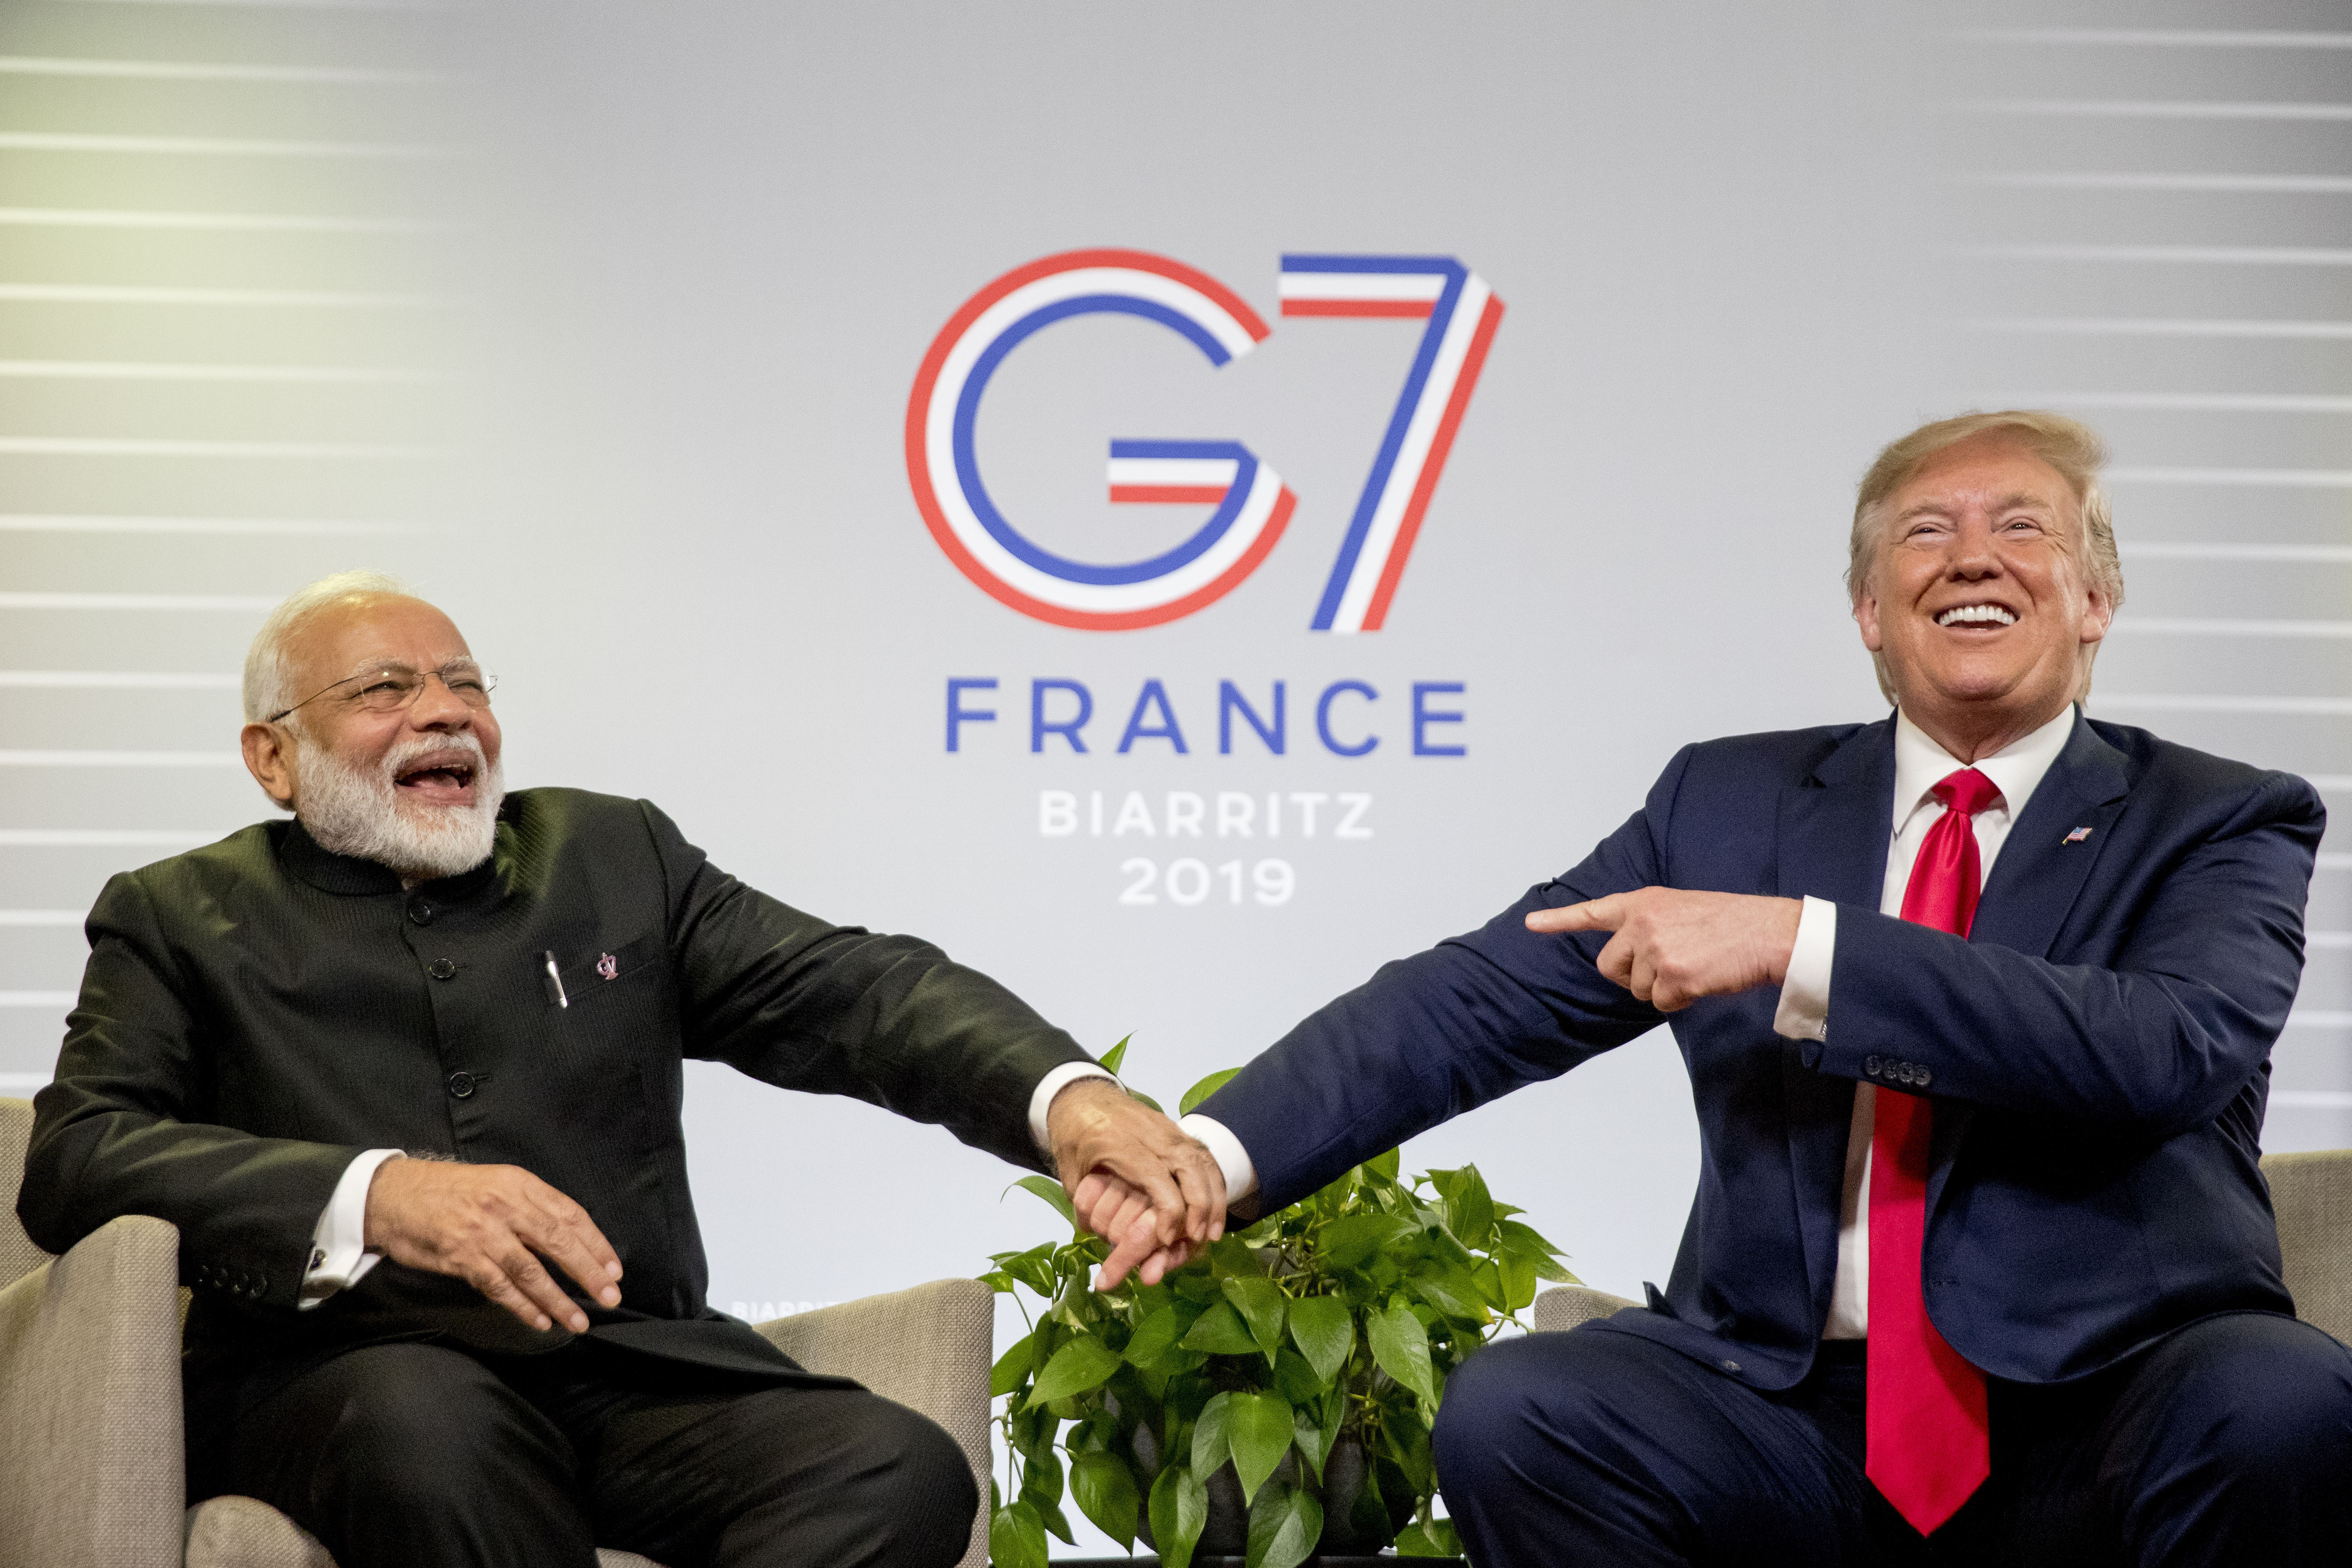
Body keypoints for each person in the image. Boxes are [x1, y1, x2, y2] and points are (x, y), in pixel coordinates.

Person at [1085, 411, 2352, 1565]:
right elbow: (1475, 1000)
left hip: (2108, 1403)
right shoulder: (1729, 803)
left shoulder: (2219, 816)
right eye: (1928, 531)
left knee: (2281, 1400)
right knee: (1525, 1410)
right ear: (1869, 606)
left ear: (2097, 599)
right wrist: (1211, 1151)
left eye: (2022, 526)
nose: (1974, 556)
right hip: (1784, 1411)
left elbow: (2163, 1046)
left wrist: (1807, 949)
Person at [16, 571, 1224, 1568]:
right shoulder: (179, 915)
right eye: (387, 687)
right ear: (273, 757)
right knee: (425, 1429)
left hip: (630, 1376)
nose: (444, 711)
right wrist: (377, 1193)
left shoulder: (609, 853)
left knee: (896, 1468)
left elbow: (856, 990)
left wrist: (1068, 1099)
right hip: (344, 1382)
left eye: (466, 682)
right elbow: (78, 1153)